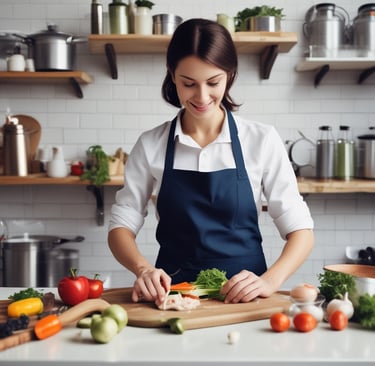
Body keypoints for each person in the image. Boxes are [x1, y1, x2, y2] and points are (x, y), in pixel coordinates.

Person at [108, 18, 314, 305]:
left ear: (230, 75)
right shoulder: (151, 144)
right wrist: (143, 269)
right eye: (188, 83)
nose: (202, 97)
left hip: (245, 301)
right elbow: (120, 225)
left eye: (213, 82)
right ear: (172, 76)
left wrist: (270, 280)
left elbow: (300, 229)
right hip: (172, 301)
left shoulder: (261, 139)